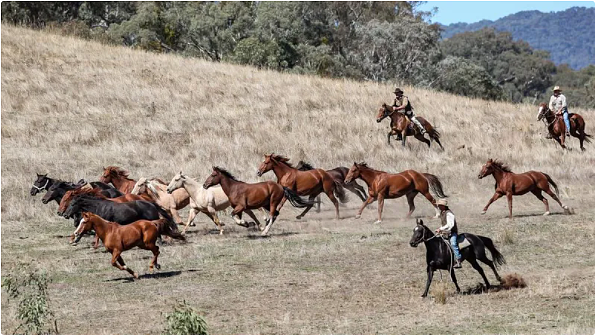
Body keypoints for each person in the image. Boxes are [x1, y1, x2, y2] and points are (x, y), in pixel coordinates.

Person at [435, 199, 462, 269]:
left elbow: (450, 225)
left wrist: (441, 229)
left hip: (452, 233)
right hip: (445, 233)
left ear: (444, 206)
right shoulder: (442, 212)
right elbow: (444, 224)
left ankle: (458, 260)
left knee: (453, 243)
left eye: (440, 205)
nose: (438, 206)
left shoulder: (449, 213)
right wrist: (440, 229)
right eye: (438, 205)